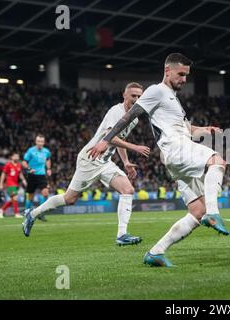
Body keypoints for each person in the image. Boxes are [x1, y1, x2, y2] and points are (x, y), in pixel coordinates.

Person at [88, 53, 229, 267]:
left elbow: (183, 128)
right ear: (167, 70)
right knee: (217, 161)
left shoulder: (172, 98)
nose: (184, 79)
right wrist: (107, 140)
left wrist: (203, 129)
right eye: (180, 74)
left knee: (196, 212)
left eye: (186, 75)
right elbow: (130, 115)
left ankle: (156, 252)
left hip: (177, 151)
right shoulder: (156, 91)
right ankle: (214, 213)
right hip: (176, 148)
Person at [22, 82, 151, 246]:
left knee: (128, 189)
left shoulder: (134, 119)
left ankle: (122, 234)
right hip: (90, 159)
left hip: (105, 162)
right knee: (69, 199)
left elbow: (121, 139)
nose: (137, 99)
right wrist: (135, 147)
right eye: (133, 95)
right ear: (124, 95)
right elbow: (109, 135)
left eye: (140, 96)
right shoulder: (116, 111)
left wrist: (125, 161)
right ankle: (32, 214)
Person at [22, 134, 52, 222]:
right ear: (36, 142)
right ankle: (27, 213)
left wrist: (49, 169)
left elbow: (48, 159)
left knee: (45, 193)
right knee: (30, 196)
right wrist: (29, 168)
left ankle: (40, 213)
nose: (40, 143)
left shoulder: (46, 151)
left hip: (41, 175)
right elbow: (24, 162)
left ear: (44, 142)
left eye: (42, 141)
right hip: (31, 175)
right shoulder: (30, 151)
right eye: (38, 141)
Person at [0, 152, 27, 218]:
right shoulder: (8, 164)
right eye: (15, 156)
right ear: (12, 157)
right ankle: (16, 213)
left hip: (16, 185)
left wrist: (24, 181)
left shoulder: (19, 165)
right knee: (15, 197)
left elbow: (20, 174)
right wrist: (1, 184)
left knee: (13, 199)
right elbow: (3, 174)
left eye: (17, 156)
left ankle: (1, 210)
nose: (17, 157)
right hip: (9, 184)